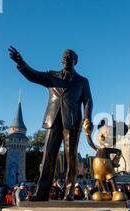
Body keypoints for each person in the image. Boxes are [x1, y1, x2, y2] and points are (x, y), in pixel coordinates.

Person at [9, 46, 93, 201]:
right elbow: (33, 75)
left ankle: (69, 193)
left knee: (71, 158)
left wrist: (87, 118)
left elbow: (88, 101)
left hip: (72, 122)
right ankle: (41, 193)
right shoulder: (51, 76)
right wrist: (22, 64)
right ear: (61, 60)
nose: (66, 59)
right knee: (48, 156)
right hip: (53, 120)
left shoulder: (82, 81)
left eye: (70, 57)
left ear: (75, 61)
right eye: (64, 57)